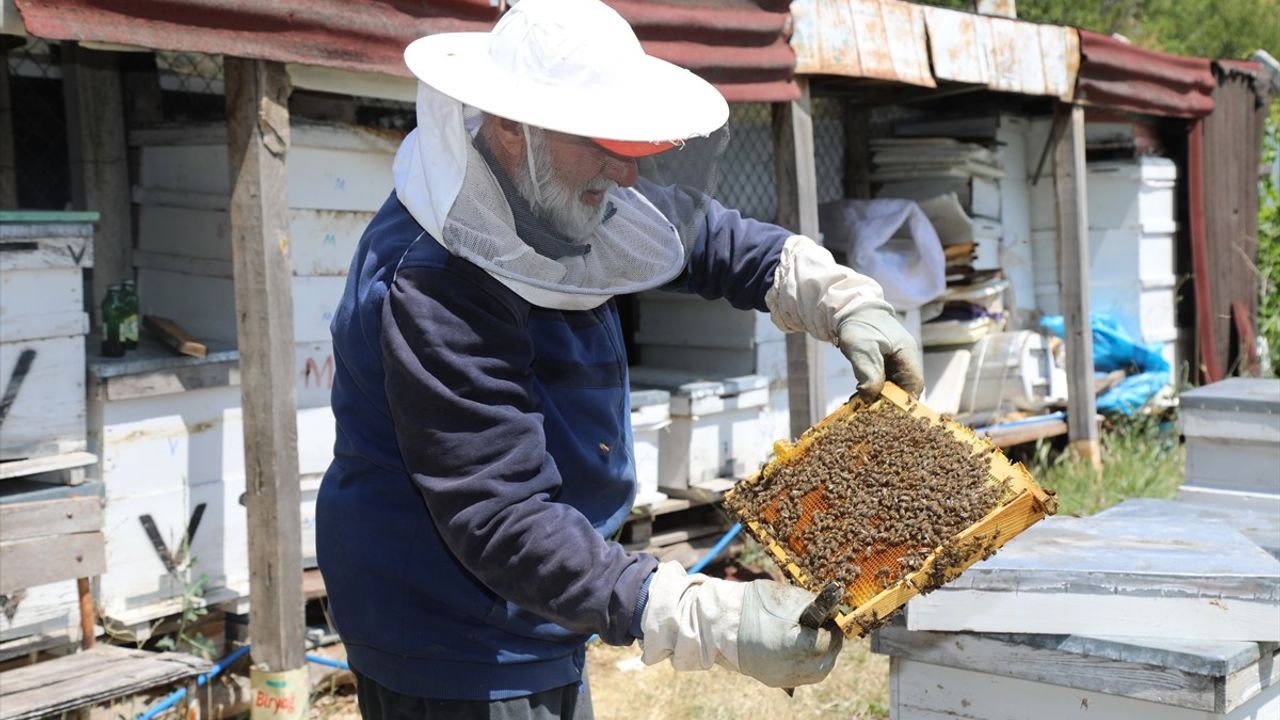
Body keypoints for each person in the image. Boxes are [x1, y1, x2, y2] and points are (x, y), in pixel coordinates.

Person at [316, 0, 924, 716]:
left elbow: (706, 236)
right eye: (604, 141)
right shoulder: (433, 284)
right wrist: (700, 615)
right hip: (448, 632)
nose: (627, 173)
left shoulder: (557, 182)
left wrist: (834, 294)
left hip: (538, 600)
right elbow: (500, 516)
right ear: (514, 126)